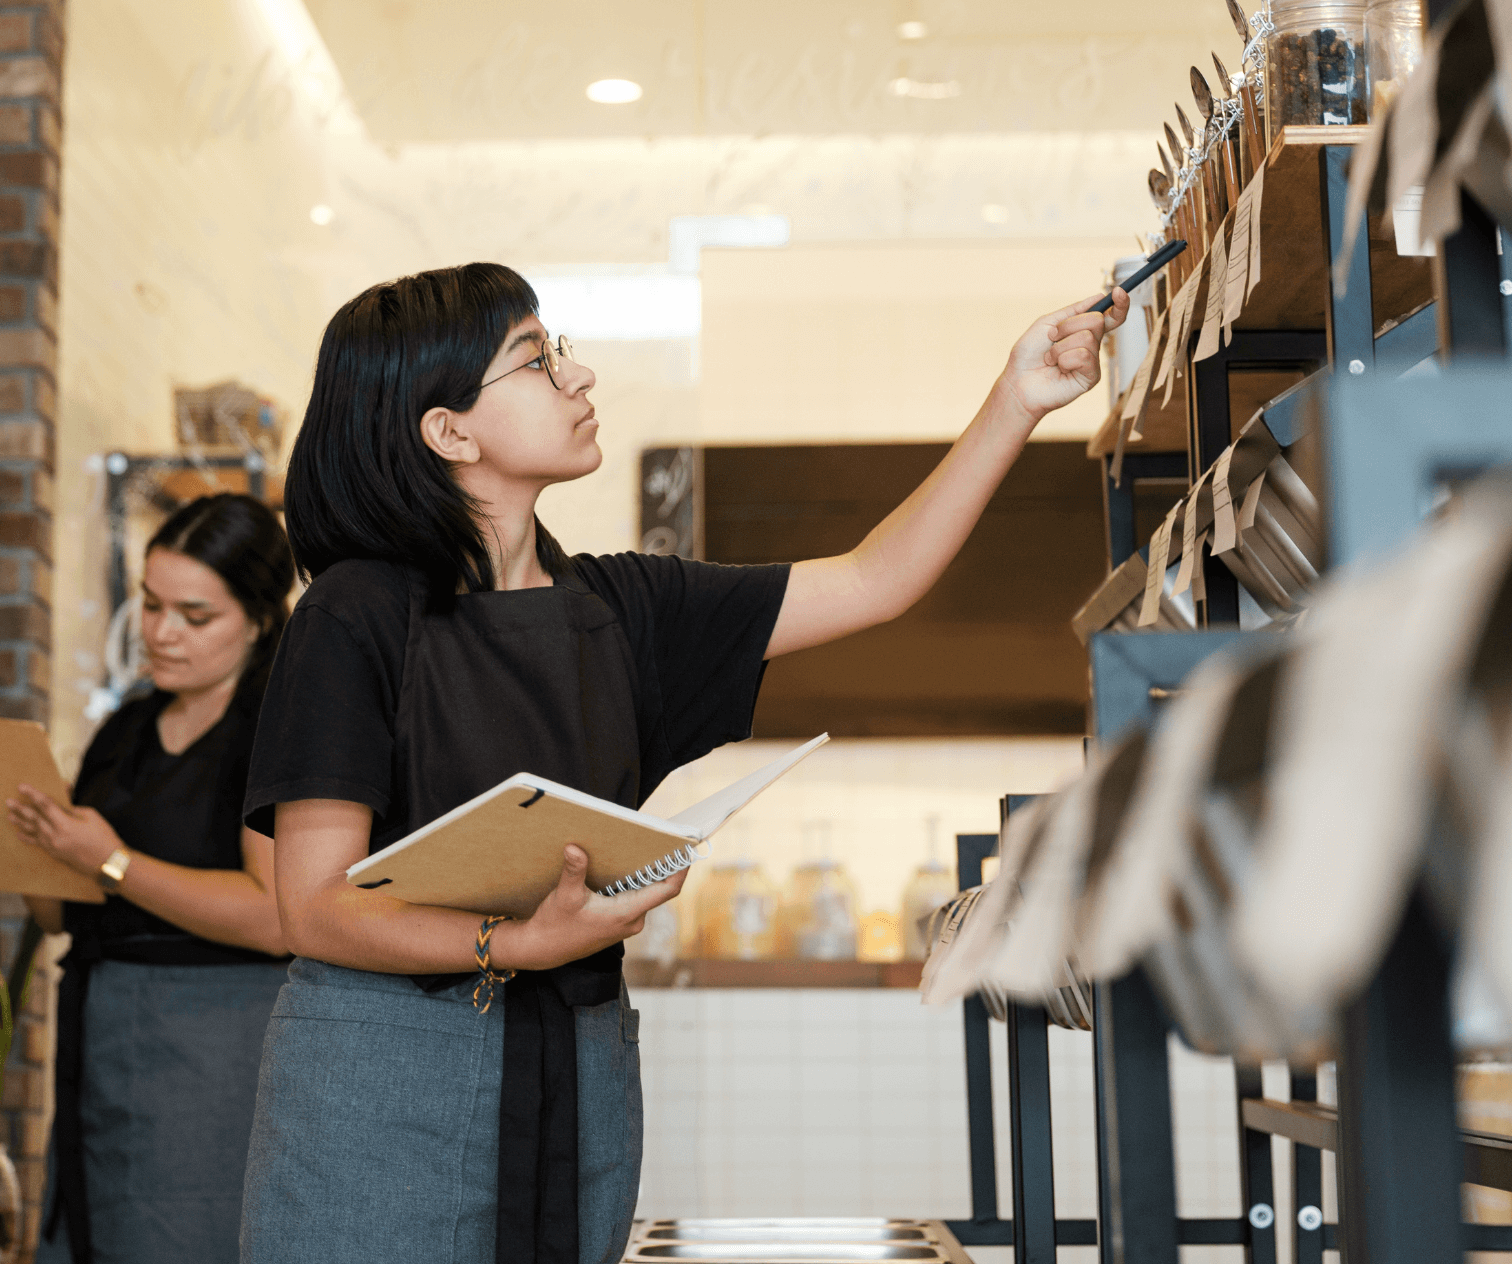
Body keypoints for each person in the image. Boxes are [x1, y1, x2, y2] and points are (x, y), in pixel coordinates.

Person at [236, 262, 1127, 1264]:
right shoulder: (353, 612)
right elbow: (307, 904)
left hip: (577, 1061)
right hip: (377, 1070)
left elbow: (876, 579)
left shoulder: (629, 609)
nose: (580, 380)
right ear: (450, 431)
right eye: (535, 360)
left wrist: (1016, 397)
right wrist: (512, 942)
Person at [9, 493, 295, 1264]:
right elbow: (61, 914)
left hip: (214, 1044)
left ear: (262, 618)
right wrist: (23, 846)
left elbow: (275, 914)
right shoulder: (124, 728)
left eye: (195, 616)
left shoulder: (276, 725)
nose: (162, 632)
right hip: (105, 1034)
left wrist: (110, 860)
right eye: (150, 603)